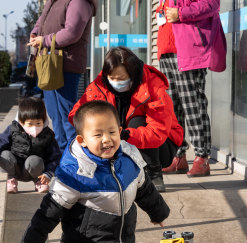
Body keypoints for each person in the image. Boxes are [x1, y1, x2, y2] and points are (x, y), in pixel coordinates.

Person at [21, 101, 170, 243]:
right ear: (82, 140)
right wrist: (32, 240)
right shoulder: (76, 172)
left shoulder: (129, 160)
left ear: (119, 131)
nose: (107, 139)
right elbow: (51, 209)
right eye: (98, 135)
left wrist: (158, 212)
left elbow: (144, 189)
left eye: (111, 132)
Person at [155, 0, 227, 177]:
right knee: (172, 108)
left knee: (193, 105)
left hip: (188, 53)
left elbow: (212, 2)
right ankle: (178, 155)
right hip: (167, 53)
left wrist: (182, 13)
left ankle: (202, 156)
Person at [68, 47, 184, 193]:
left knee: (137, 122)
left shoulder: (153, 86)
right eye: (112, 78)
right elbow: (76, 115)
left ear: (133, 74)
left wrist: (125, 135)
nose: (116, 82)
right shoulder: (99, 86)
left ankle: (154, 173)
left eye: (121, 78)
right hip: (121, 137)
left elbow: (157, 132)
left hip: (162, 146)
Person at [28, 0, 97, 152]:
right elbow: (42, 21)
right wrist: (35, 33)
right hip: (49, 62)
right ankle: (61, 156)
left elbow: (72, 33)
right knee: (54, 113)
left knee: (67, 113)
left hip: (66, 63)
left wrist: (45, 40)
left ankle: (76, 155)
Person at [0, 97, 61, 193]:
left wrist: (48, 173)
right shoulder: (13, 129)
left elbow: (55, 156)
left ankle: (39, 182)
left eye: (38, 123)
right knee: (5, 154)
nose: (34, 127)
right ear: (21, 122)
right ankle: (10, 180)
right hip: (14, 168)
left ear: (44, 120)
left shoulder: (47, 134)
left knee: (35, 160)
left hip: (35, 171)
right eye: (30, 124)